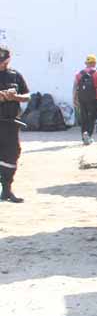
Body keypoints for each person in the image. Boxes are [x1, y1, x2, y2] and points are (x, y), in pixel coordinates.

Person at [0, 47, 31, 203]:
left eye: (4, 61)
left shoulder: (15, 75)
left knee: (12, 155)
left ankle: (6, 190)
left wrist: (15, 97)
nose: (1, 64)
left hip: (10, 123)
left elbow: (27, 96)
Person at [72, 55, 97, 145]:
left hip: (82, 98)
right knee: (92, 117)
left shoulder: (79, 74)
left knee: (84, 117)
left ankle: (84, 135)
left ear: (86, 63)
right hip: (93, 98)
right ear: (94, 63)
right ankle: (89, 135)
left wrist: (74, 98)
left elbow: (75, 87)